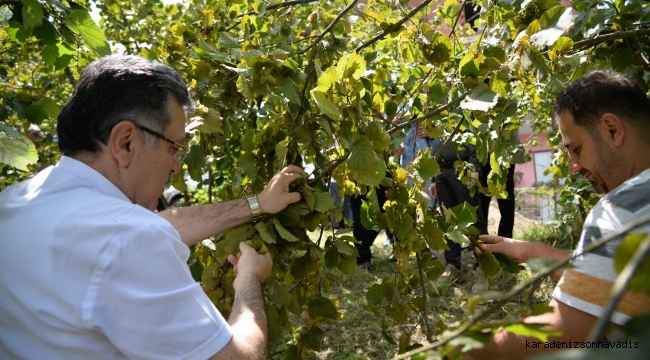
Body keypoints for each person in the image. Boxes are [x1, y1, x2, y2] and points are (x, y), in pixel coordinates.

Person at [0, 55, 307, 359]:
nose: (176, 165)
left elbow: (160, 227)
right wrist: (249, 281)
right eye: (173, 146)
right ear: (125, 142)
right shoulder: (128, 240)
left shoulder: (15, 204)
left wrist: (258, 204)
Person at [466, 71, 650, 359]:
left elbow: (559, 333)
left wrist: (469, 347)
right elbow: (612, 277)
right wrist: (534, 251)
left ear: (612, 130)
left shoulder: (621, 210)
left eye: (576, 149)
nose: (573, 167)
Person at [428, 123, 488, 290]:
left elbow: (476, 138)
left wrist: (474, 168)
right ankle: (453, 266)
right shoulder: (439, 112)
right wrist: (434, 178)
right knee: (449, 221)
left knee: (473, 218)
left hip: (463, 170)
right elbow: (436, 145)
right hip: (441, 172)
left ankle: (483, 266)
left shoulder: (464, 105)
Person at [479, 128, 526, 238]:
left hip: (506, 155)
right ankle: (481, 239)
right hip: (485, 155)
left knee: (506, 198)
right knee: (482, 199)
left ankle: (505, 240)